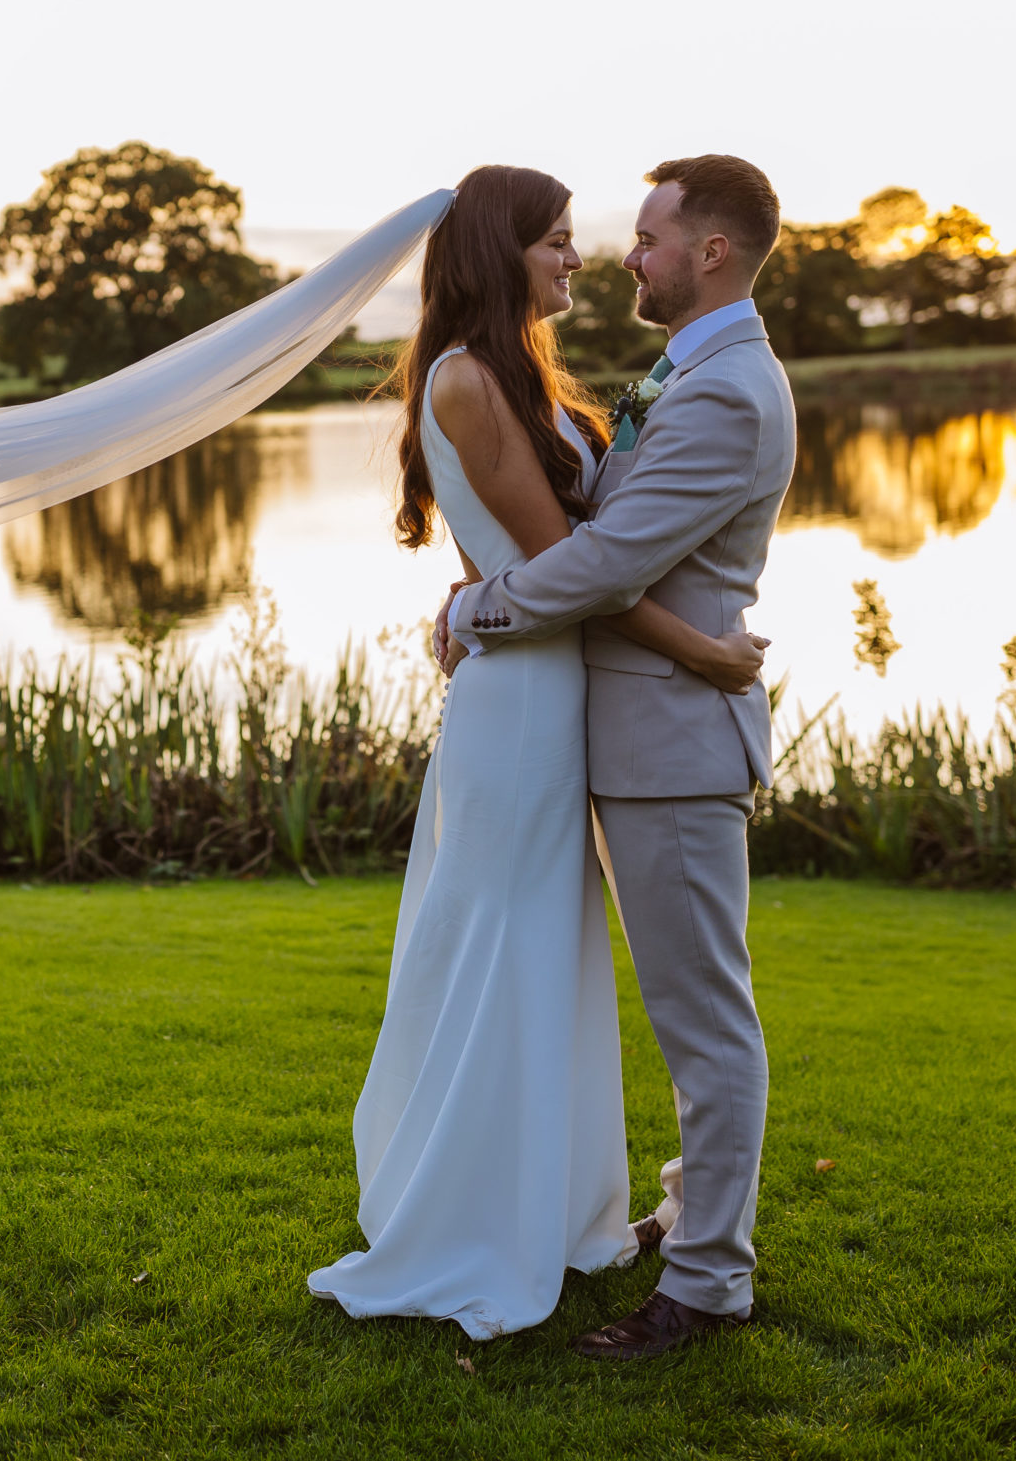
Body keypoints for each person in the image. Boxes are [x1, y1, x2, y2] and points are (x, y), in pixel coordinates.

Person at [306, 165, 768, 1341]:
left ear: (707, 251)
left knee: (547, 966)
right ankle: (481, 1222)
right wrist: (700, 652)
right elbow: (575, 565)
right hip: (523, 712)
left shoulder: (534, 374)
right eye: (557, 239)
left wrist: (477, 603)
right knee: (503, 959)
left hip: (567, 700)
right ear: (497, 250)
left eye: (618, 236)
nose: (590, 257)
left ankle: (561, 1212)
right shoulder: (468, 378)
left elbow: (561, 562)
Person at [439, 154, 797, 1361]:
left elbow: (604, 564)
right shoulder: (688, 370)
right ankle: (690, 1220)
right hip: (626, 730)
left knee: (706, 1026)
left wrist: (471, 613)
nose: (621, 258)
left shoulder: (725, 391)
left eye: (645, 237)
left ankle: (707, 1285)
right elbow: (594, 536)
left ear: (709, 251)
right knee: (691, 1016)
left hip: (672, 746)